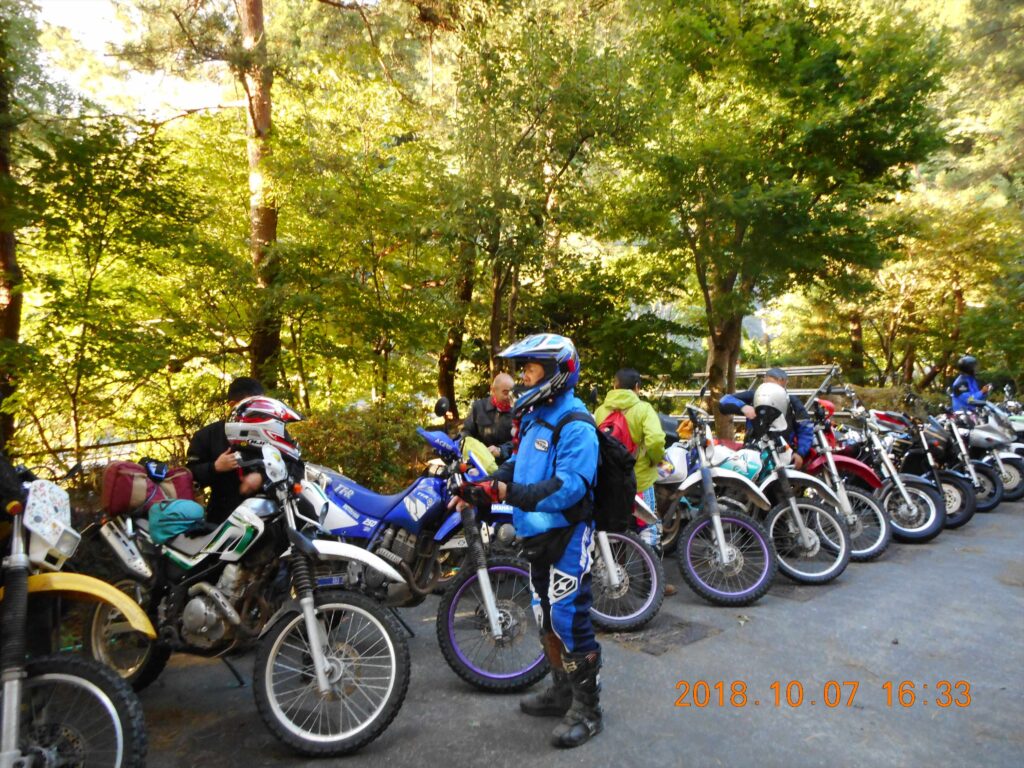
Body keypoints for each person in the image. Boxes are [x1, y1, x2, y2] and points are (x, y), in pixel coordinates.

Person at [450, 333, 602, 749]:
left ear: (556, 371)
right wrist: (482, 487)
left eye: (531, 368)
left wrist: (508, 493)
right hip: (535, 532)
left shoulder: (576, 423)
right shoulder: (538, 415)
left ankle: (589, 711)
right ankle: (562, 691)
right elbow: (521, 463)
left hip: (568, 533)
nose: (524, 378)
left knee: (569, 618)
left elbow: (570, 487)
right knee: (544, 616)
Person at [593, 368, 667, 553]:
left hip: (610, 483)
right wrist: (654, 460)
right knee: (648, 530)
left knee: (614, 531)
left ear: (614, 386)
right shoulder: (643, 409)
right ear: (637, 387)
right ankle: (651, 571)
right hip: (640, 482)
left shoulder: (600, 411)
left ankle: (617, 571)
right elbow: (656, 440)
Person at [186, 377, 266, 524]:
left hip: (269, 516)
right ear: (233, 405)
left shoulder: (271, 430)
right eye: (252, 407)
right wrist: (215, 467)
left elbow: (294, 464)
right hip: (223, 518)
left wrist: (263, 477)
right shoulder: (206, 435)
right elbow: (190, 475)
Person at [718, 368, 812, 469]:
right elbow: (725, 400)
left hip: (783, 453)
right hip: (753, 451)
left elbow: (805, 427)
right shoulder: (755, 396)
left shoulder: (792, 402)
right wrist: (743, 407)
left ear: (784, 382)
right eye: (766, 383)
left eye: (773, 383)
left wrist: (800, 453)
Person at [460, 372, 515, 463]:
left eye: (512, 393)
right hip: (479, 462)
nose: (509, 397)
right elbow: (465, 433)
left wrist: (501, 450)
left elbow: (520, 440)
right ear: (493, 390)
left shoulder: (517, 412)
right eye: (505, 393)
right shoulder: (478, 407)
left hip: (507, 463)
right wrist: (476, 450)